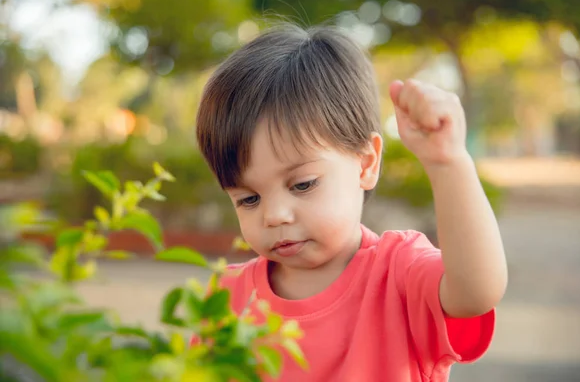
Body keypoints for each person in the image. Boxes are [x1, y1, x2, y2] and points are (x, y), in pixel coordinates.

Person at [194, 22, 507, 382]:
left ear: (366, 163)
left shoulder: (400, 274)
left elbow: (476, 292)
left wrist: (448, 163)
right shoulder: (227, 298)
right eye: (248, 199)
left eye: (302, 185)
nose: (274, 215)